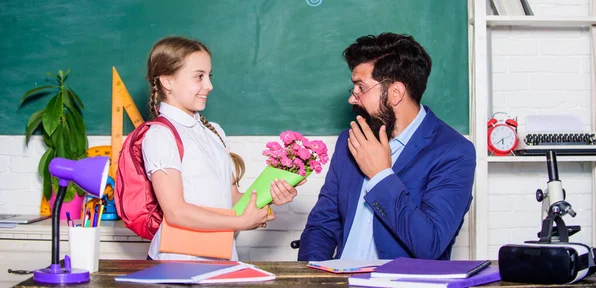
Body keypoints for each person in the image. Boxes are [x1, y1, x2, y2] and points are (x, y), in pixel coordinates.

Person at [298, 33, 476, 261]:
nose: (353, 99)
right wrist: (312, 281)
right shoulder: (350, 140)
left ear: (395, 93)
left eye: (361, 88)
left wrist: (381, 175)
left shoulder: (453, 152)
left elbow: (430, 245)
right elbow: (321, 227)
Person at [143, 36, 302, 260]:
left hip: (220, 254)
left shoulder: (213, 131)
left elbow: (232, 198)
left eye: (209, 76)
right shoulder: (160, 135)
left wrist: (271, 195)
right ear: (168, 81)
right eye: (199, 76)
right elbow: (176, 212)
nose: (209, 85)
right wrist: (240, 222)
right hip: (177, 261)